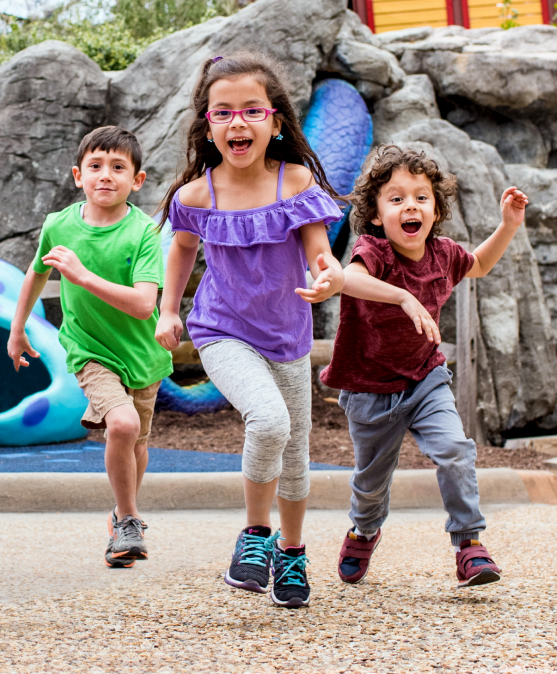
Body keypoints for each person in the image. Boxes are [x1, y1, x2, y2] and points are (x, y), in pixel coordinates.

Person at [155, 53, 346, 609]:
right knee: (269, 422)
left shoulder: (295, 181)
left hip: (287, 334)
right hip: (222, 329)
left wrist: (327, 276)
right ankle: (256, 536)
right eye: (223, 113)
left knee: (295, 452)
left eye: (251, 110)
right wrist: (170, 310)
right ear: (207, 124)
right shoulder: (196, 195)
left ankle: (292, 552)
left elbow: (317, 250)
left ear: (275, 122)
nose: (237, 123)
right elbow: (182, 252)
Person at [323, 145, 528, 589]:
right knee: (371, 483)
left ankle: (469, 544)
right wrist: (400, 295)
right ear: (376, 215)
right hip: (369, 387)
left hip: (425, 378)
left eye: (421, 197)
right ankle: (364, 529)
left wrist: (507, 225)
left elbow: (479, 264)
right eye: (395, 199)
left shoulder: (444, 254)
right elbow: (347, 278)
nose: (409, 206)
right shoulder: (373, 251)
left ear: (435, 210)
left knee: (455, 450)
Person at [6, 126, 173, 569]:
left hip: (142, 354)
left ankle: (121, 516)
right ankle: (132, 520)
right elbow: (36, 274)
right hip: (90, 349)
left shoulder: (143, 233)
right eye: (96, 166)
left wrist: (81, 276)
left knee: (136, 440)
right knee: (121, 426)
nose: (106, 176)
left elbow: (143, 305)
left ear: (137, 180)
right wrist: (17, 327)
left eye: (118, 168)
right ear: (78, 175)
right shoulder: (59, 225)